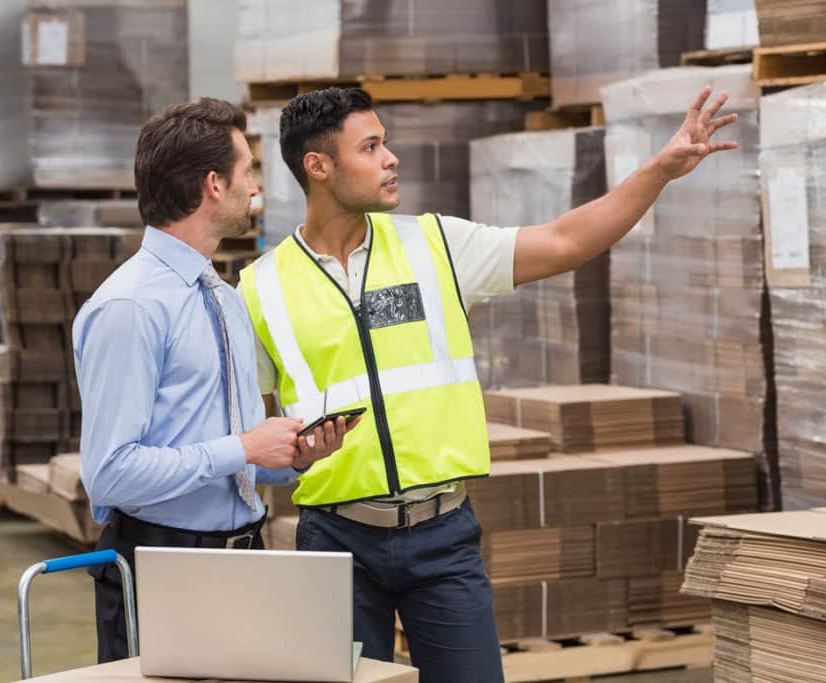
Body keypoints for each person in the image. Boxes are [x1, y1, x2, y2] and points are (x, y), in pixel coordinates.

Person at [238, 86, 738, 682]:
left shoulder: (435, 245)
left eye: (386, 143)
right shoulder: (259, 289)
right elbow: (253, 431)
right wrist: (296, 455)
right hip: (335, 544)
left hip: (442, 537)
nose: (391, 158)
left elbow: (564, 242)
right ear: (318, 166)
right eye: (370, 147)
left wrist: (659, 170)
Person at [73, 97, 357, 663]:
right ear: (213, 185)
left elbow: (230, 455)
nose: (256, 187)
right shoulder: (130, 308)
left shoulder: (225, 300)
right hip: (161, 567)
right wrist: (243, 447)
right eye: (247, 171)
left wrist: (287, 455)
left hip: (244, 556)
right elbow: (108, 476)